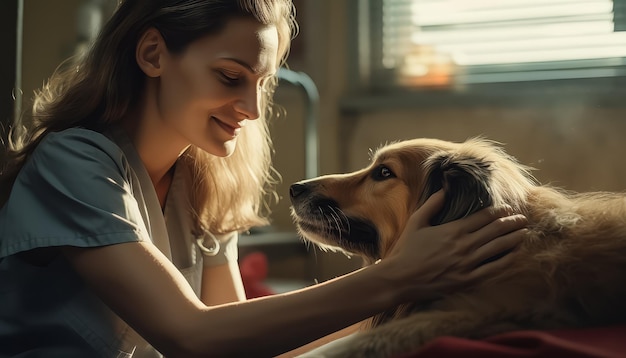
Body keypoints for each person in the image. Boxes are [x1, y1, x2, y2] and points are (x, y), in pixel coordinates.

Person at [0, 0, 528, 357]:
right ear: (153, 54)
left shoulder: (199, 182)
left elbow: (242, 336)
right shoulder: (73, 163)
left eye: (262, 83)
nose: (252, 108)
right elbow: (192, 336)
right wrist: (397, 278)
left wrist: (436, 310)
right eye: (231, 77)